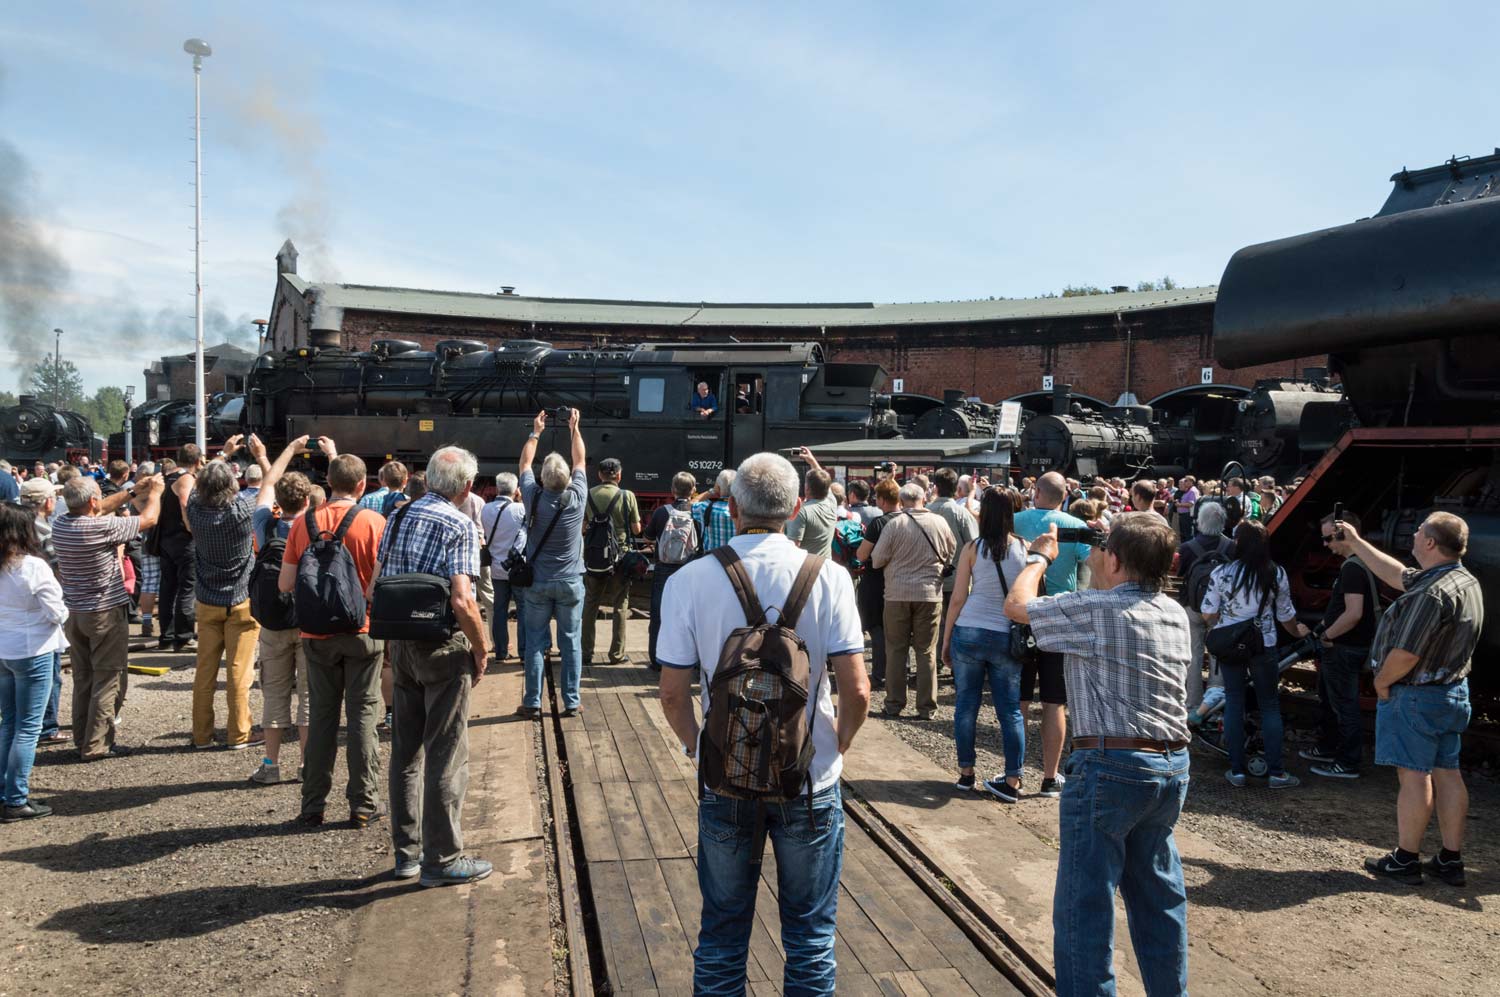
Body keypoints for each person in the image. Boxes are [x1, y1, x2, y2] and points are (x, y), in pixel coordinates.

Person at [656, 451, 869, 995]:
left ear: (730, 507)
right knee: (810, 936)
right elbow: (858, 690)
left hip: (725, 775)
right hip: (809, 779)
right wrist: (833, 748)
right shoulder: (832, 578)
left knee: (723, 934)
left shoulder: (689, 580)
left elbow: (674, 694)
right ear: (797, 508)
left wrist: (695, 748)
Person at [1002, 514, 1192, 997]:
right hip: (1170, 767)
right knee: (1159, 898)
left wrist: (1040, 558)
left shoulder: (1096, 609)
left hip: (1111, 766)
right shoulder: (1174, 612)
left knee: (1085, 905)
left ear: (1115, 560)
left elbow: (1017, 605)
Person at [1336, 512, 1482, 886]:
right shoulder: (1462, 580)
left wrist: (1382, 683)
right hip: (1452, 693)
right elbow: (1396, 573)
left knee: (1414, 777)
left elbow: (1407, 653)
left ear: (1431, 543)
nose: (1414, 534)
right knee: (1448, 773)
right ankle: (1450, 859)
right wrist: (1354, 542)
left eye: (1419, 531)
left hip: (1417, 696)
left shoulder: (1432, 594)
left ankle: (1405, 859)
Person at [374, 445, 493, 887]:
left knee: (405, 752)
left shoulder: (399, 516)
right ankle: (442, 860)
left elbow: (377, 582)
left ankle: (406, 854)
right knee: (446, 752)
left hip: (401, 643)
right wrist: (482, 649)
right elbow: (463, 599)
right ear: (465, 486)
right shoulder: (459, 524)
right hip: (441, 647)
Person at [278, 447, 388, 827]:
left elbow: (286, 583)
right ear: (362, 485)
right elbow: (380, 585)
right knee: (362, 716)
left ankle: (313, 807)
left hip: (316, 635)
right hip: (363, 632)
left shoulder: (302, 524)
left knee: (322, 718)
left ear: (328, 482)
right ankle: (363, 804)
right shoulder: (375, 523)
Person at [52, 472, 164, 759]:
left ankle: (83, 738)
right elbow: (148, 519)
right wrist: (155, 493)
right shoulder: (101, 527)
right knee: (109, 679)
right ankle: (97, 744)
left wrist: (129, 492)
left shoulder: (61, 525)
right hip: (104, 613)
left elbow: (97, 508)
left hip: (75, 612)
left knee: (84, 678)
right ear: (92, 501)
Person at [1201, 519, 1309, 788]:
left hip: (1231, 645)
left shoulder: (1222, 573)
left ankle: (1237, 771)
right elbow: (1286, 615)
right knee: (1270, 705)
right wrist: (1299, 633)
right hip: (1265, 643)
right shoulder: (1275, 573)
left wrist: (1226, 621)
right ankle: (1276, 773)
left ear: (1238, 543)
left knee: (1234, 702)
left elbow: (1208, 613)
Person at [185, 436, 270, 751]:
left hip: (207, 599)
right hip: (241, 599)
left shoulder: (194, 508)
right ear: (232, 484)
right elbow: (268, 484)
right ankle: (239, 733)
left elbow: (196, 483)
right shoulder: (241, 510)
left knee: (204, 671)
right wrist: (261, 456)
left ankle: (202, 735)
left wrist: (222, 454)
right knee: (239, 671)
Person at [941, 488, 1027, 798]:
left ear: (984, 513)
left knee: (966, 706)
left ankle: (966, 773)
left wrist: (947, 639)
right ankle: (1013, 779)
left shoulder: (972, 548)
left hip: (970, 629)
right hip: (1005, 633)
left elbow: (958, 599)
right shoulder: (1024, 549)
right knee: (1010, 711)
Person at [1012, 471, 1094, 797]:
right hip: (1061, 616)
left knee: (1018, 701)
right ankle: (1049, 777)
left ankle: (1013, 774)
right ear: (1065, 495)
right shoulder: (1079, 527)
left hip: (1021, 614)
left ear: (1036, 492)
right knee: (1054, 702)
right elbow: (1090, 568)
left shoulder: (1015, 520)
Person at [249, 436, 315, 785]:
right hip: (307, 619)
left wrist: (283, 450)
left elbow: (268, 482)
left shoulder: (264, 523)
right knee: (308, 695)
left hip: (273, 621)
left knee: (273, 693)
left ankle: (270, 765)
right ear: (307, 500)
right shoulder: (317, 524)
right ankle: (306, 764)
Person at [516, 408, 587, 719]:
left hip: (538, 583)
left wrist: (536, 432)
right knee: (571, 643)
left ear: (542, 479)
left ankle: (532, 702)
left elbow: (524, 463)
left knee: (534, 642)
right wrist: (574, 428)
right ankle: (571, 702)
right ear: (568, 478)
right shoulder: (578, 496)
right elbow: (581, 461)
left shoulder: (532, 495)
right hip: (571, 581)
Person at [0, 503, 67, 821]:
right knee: (28, 728)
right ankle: (16, 799)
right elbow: (57, 612)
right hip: (33, 650)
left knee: (9, 724)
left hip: (4, 649)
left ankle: (5, 793)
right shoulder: (33, 566)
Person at [1302, 511, 1381, 780]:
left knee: (1344, 705)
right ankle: (1329, 748)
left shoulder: (1352, 568)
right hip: (1346, 645)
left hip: (1344, 647)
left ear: (1343, 536)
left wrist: (1328, 635)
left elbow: (1353, 612)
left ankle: (1347, 762)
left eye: (1328, 539)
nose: (1325, 545)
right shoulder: (1360, 565)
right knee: (1334, 701)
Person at [870, 482, 956, 720]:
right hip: (930, 594)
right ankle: (927, 706)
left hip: (897, 593)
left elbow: (876, 560)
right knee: (926, 651)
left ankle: (894, 703)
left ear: (901, 499)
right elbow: (951, 552)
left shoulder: (894, 525)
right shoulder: (940, 523)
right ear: (923, 499)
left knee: (896, 650)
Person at [581, 457, 641, 665]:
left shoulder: (589, 495)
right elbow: (637, 530)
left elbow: (582, 528)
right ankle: (616, 654)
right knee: (620, 605)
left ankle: (585, 653)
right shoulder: (627, 496)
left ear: (599, 475)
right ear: (619, 475)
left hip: (594, 557)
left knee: (590, 603)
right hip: (620, 559)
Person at [1176, 500, 1232, 718]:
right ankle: (1214, 703)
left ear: (1200, 522)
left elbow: (1181, 573)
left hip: (1194, 606)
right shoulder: (1231, 546)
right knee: (1218, 655)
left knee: (1194, 654)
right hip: (1221, 609)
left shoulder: (1188, 547)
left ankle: (1192, 702)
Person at [152, 444, 204, 652]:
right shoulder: (186, 479)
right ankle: (183, 637)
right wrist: (194, 530)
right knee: (186, 588)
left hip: (165, 539)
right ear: (198, 461)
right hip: (182, 539)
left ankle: (166, 635)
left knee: (167, 588)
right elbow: (185, 504)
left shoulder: (166, 477)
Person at [644, 471, 696, 671]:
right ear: (693, 489)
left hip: (664, 568)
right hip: (689, 567)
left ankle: (656, 660)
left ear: (673, 490)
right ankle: (689, 659)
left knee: (658, 613)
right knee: (689, 614)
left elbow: (648, 537)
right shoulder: (696, 510)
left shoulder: (661, 512)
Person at [854, 477, 901, 690]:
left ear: (881, 499)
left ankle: (880, 673)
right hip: (901, 579)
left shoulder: (878, 523)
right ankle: (901, 670)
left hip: (876, 580)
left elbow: (862, 554)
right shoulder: (909, 519)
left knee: (877, 628)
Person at [480, 472, 527, 663]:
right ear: (516, 490)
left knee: (499, 609)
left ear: (497, 488)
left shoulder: (486, 509)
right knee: (523, 609)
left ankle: (500, 651)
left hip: (496, 568)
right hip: (518, 569)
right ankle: (524, 651)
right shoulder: (521, 509)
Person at [929, 468, 979, 613]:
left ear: (936, 488)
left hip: (928, 582)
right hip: (957, 582)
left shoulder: (925, 511)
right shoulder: (961, 513)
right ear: (956, 488)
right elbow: (974, 546)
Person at [786, 448, 838, 557]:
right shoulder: (831, 502)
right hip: (825, 566)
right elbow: (825, 482)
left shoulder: (801, 512)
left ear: (807, 489)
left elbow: (792, 548)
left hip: (806, 570)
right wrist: (812, 461)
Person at [693, 470, 736, 552]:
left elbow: (689, 504)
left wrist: (712, 490)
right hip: (737, 560)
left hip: (711, 559)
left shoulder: (704, 508)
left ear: (718, 488)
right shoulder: (744, 510)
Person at [1174, 476, 1199, 541]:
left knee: (1188, 534)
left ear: (1191, 482)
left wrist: (1179, 505)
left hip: (1187, 515)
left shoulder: (1192, 491)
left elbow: (1191, 504)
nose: (1184, 482)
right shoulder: (1188, 490)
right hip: (1183, 515)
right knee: (1183, 534)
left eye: (1186, 481)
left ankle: (1188, 549)